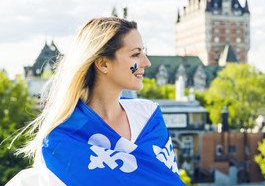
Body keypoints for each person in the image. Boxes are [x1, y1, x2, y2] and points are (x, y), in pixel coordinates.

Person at [7, 17, 185, 186]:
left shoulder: (148, 116)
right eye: (135, 54)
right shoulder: (63, 136)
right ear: (103, 64)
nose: (146, 62)